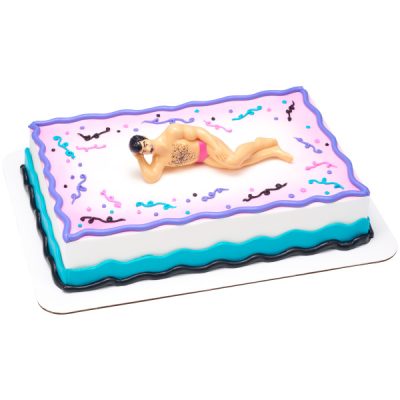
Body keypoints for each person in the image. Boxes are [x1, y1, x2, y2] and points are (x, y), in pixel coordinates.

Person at [129, 123, 292, 183]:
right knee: (236, 166)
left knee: (233, 161)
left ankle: (261, 143)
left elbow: (198, 131)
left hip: (207, 146)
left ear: (146, 138)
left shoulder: (171, 132)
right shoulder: (159, 160)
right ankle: (272, 152)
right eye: (144, 151)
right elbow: (151, 177)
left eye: (145, 144)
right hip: (203, 159)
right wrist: (139, 159)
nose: (147, 148)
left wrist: (215, 145)